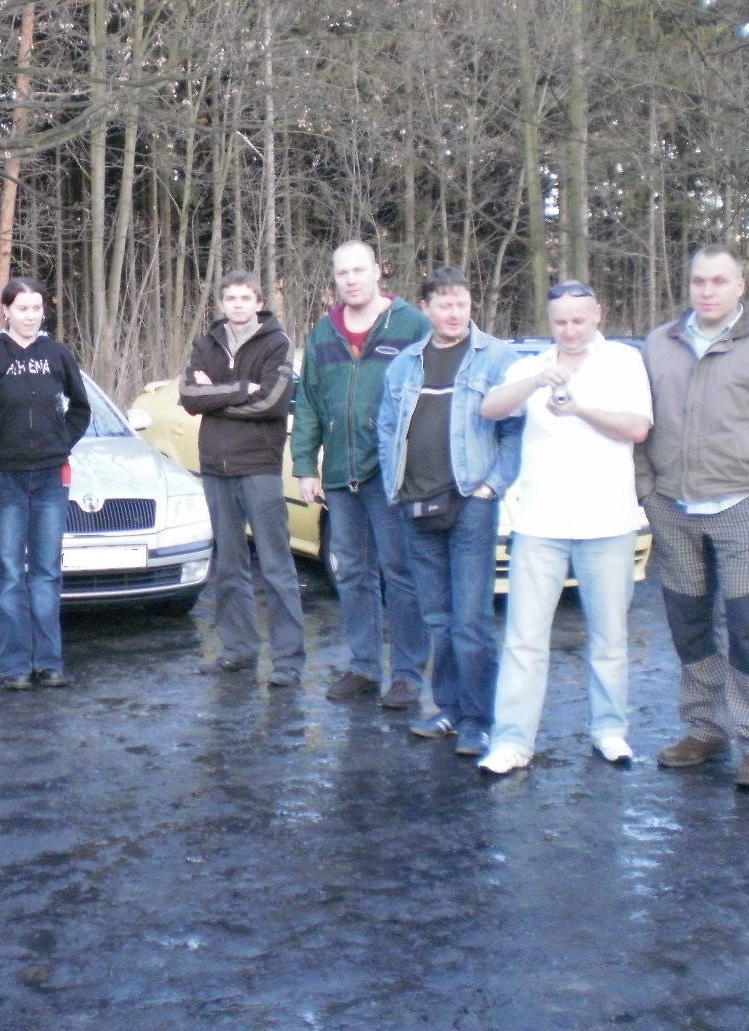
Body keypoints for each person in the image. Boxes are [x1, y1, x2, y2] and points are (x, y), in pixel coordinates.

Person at [636, 244, 749, 789]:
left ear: (740, 286)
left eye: (719, 281)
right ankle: (705, 728)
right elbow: (638, 421)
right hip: (673, 508)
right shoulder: (659, 345)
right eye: (699, 281)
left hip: (743, 507)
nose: (707, 291)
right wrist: (646, 489)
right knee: (689, 625)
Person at [475, 282, 653, 775]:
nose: (570, 330)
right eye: (560, 322)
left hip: (609, 520)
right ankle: (512, 741)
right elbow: (489, 408)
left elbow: (638, 427)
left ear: (598, 315)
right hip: (540, 522)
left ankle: (610, 731)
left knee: (610, 637)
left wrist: (580, 409)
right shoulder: (532, 365)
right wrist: (534, 383)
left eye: (578, 320)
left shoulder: (624, 362)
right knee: (524, 639)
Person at [377, 266, 519, 757]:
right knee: (437, 617)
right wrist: (396, 486)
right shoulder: (405, 365)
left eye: (461, 303)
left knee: (471, 621)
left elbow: (514, 431)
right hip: (416, 506)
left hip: (470, 504)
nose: (454, 312)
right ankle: (449, 710)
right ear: (427, 308)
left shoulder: (496, 358)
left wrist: (492, 487)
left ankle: (479, 720)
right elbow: (387, 427)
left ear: (470, 305)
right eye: (444, 304)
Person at [291, 240, 431, 707]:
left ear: (377, 272)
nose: (350, 280)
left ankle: (408, 674)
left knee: (400, 572)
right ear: (334, 279)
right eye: (342, 273)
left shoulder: (410, 325)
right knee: (352, 573)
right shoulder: (323, 334)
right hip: (340, 474)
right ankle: (365, 666)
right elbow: (308, 403)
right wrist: (306, 465)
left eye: (358, 270)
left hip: (392, 474)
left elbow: (432, 394)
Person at [182, 270, 305, 687]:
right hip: (216, 468)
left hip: (259, 468)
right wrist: (240, 389)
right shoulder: (206, 344)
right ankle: (238, 649)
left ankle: (288, 661)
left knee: (276, 566)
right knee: (229, 566)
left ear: (258, 303)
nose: (237, 305)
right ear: (221, 304)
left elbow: (272, 402)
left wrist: (215, 396)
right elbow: (189, 397)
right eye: (230, 298)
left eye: (245, 298)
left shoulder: (277, 343)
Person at [0, 277, 92, 690]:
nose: (30, 315)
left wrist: (61, 443)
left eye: (37, 308)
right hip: (5, 478)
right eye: (22, 308)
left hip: (50, 478)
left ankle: (49, 662)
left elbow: (81, 407)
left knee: (45, 572)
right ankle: (15, 667)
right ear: (6, 310)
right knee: (9, 573)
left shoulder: (57, 354)